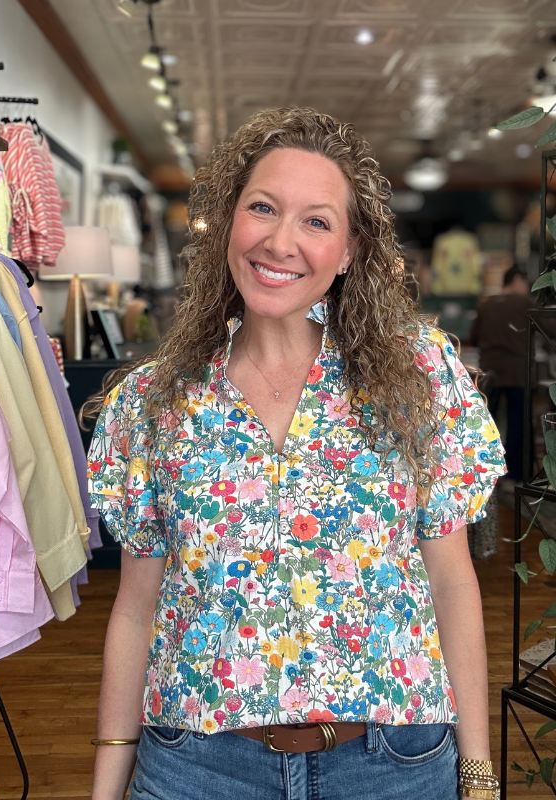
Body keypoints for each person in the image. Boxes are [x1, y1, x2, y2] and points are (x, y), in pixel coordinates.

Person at [85, 108, 505, 800]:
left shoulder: (418, 379)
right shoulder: (154, 402)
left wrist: (480, 775)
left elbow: (453, 584)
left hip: (391, 768)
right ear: (228, 223)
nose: (281, 242)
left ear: (348, 251)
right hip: (199, 767)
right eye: (263, 208)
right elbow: (135, 609)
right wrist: (106, 787)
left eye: (316, 221)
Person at [469, 266, 534, 485]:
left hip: (490, 373)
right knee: (519, 425)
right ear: (517, 280)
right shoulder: (525, 304)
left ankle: (486, 472)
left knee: (489, 424)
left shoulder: (486, 305)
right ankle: (517, 474)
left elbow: (474, 337)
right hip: (518, 373)